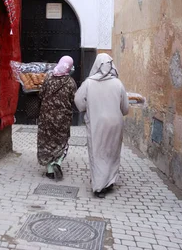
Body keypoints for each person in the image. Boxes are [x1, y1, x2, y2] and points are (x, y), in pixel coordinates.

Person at [74, 53, 129, 198]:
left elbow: (79, 101)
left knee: (98, 152)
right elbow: (125, 108)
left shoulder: (89, 83)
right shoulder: (118, 83)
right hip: (115, 124)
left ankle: (99, 186)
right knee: (112, 152)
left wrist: (88, 107)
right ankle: (109, 181)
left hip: (97, 123)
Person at [37, 56, 77, 180]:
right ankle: (57, 163)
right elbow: (74, 99)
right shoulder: (70, 82)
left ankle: (49, 170)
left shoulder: (48, 78)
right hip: (62, 119)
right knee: (61, 141)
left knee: (47, 141)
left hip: (46, 117)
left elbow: (41, 94)